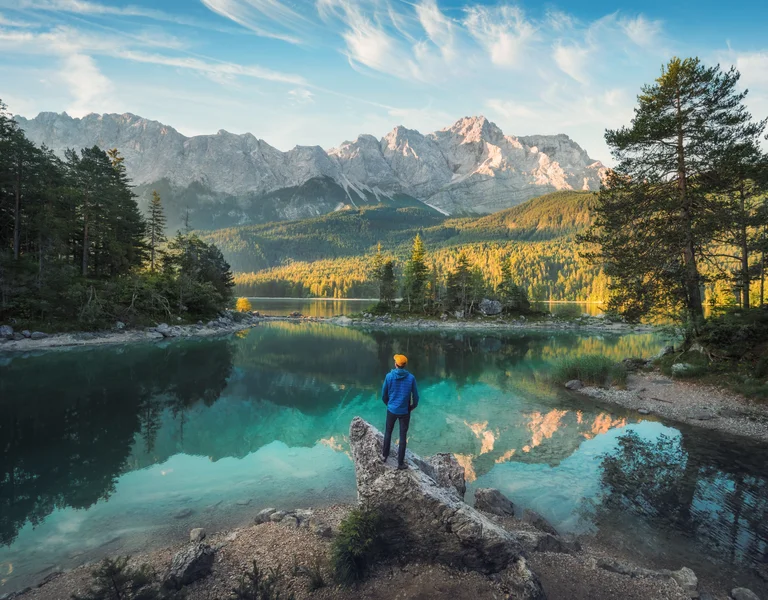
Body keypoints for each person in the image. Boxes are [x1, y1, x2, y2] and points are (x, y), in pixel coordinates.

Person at [381, 354, 419, 470]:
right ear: (404, 365)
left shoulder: (389, 376)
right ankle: (400, 463)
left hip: (391, 410)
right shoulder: (411, 378)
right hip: (405, 411)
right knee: (403, 436)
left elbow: (384, 395)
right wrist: (413, 406)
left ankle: (384, 456)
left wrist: (389, 404)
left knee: (388, 432)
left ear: (396, 364)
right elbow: (416, 396)